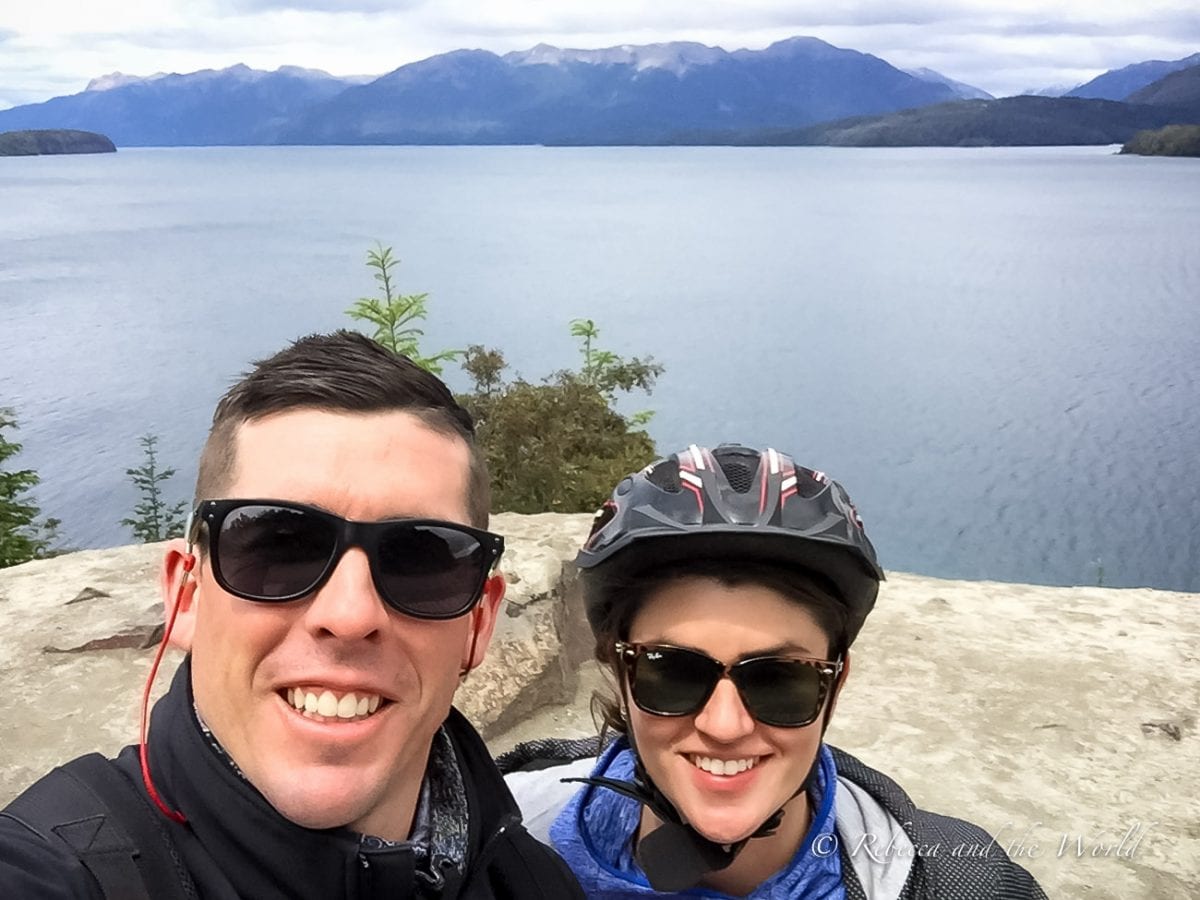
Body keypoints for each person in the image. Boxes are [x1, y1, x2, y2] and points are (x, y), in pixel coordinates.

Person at [0, 331, 584, 900]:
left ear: (479, 624)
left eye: (419, 559)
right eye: (280, 547)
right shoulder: (52, 872)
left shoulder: (530, 877)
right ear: (186, 596)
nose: (350, 614)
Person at [502, 442, 1047, 898]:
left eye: (780, 679)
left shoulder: (965, 883)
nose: (724, 725)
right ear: (618, 671)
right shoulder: (502, 834)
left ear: (835, 685)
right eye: (672, 672)